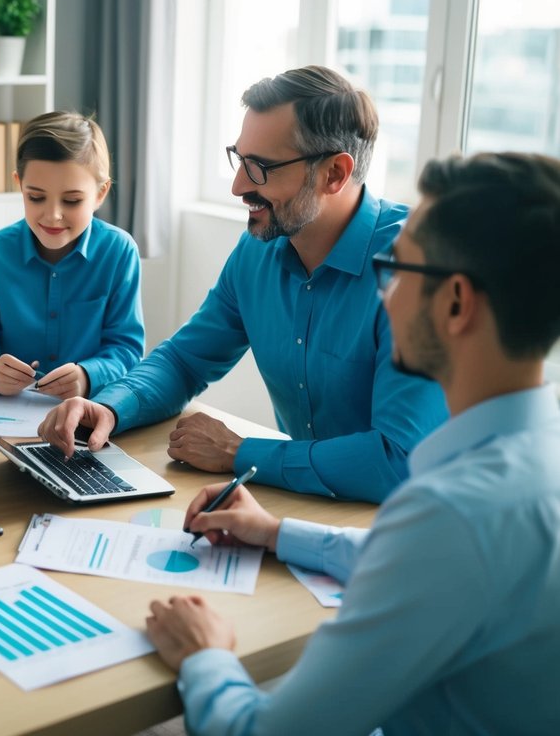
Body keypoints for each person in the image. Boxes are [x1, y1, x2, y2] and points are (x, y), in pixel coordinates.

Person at [145, 152, 560, 734]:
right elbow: (426, 562)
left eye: (397, 270)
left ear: (457, 303)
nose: (382, 293)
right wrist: (278, 533)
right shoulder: (534, 450)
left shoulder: (451, 513)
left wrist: (204, 654)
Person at [39, 66, 447, 503]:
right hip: (312, 509)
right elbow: (184, 361)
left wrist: (240, 452)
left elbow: (397, 460)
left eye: (261, 168)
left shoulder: (417, 271)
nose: (238, 186)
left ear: (334, 174)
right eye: (239, 159)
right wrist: (111, 408)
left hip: (419, 525)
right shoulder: (259, 250)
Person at [0, 111, 144, 399]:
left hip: (87, 413)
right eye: (36, 197)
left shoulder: (119, 252)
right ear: (19, 184)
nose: (53, 216)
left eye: (72, 200)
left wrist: (88, 375)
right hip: (6, 414)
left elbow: (126, 349)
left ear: (101, 193)